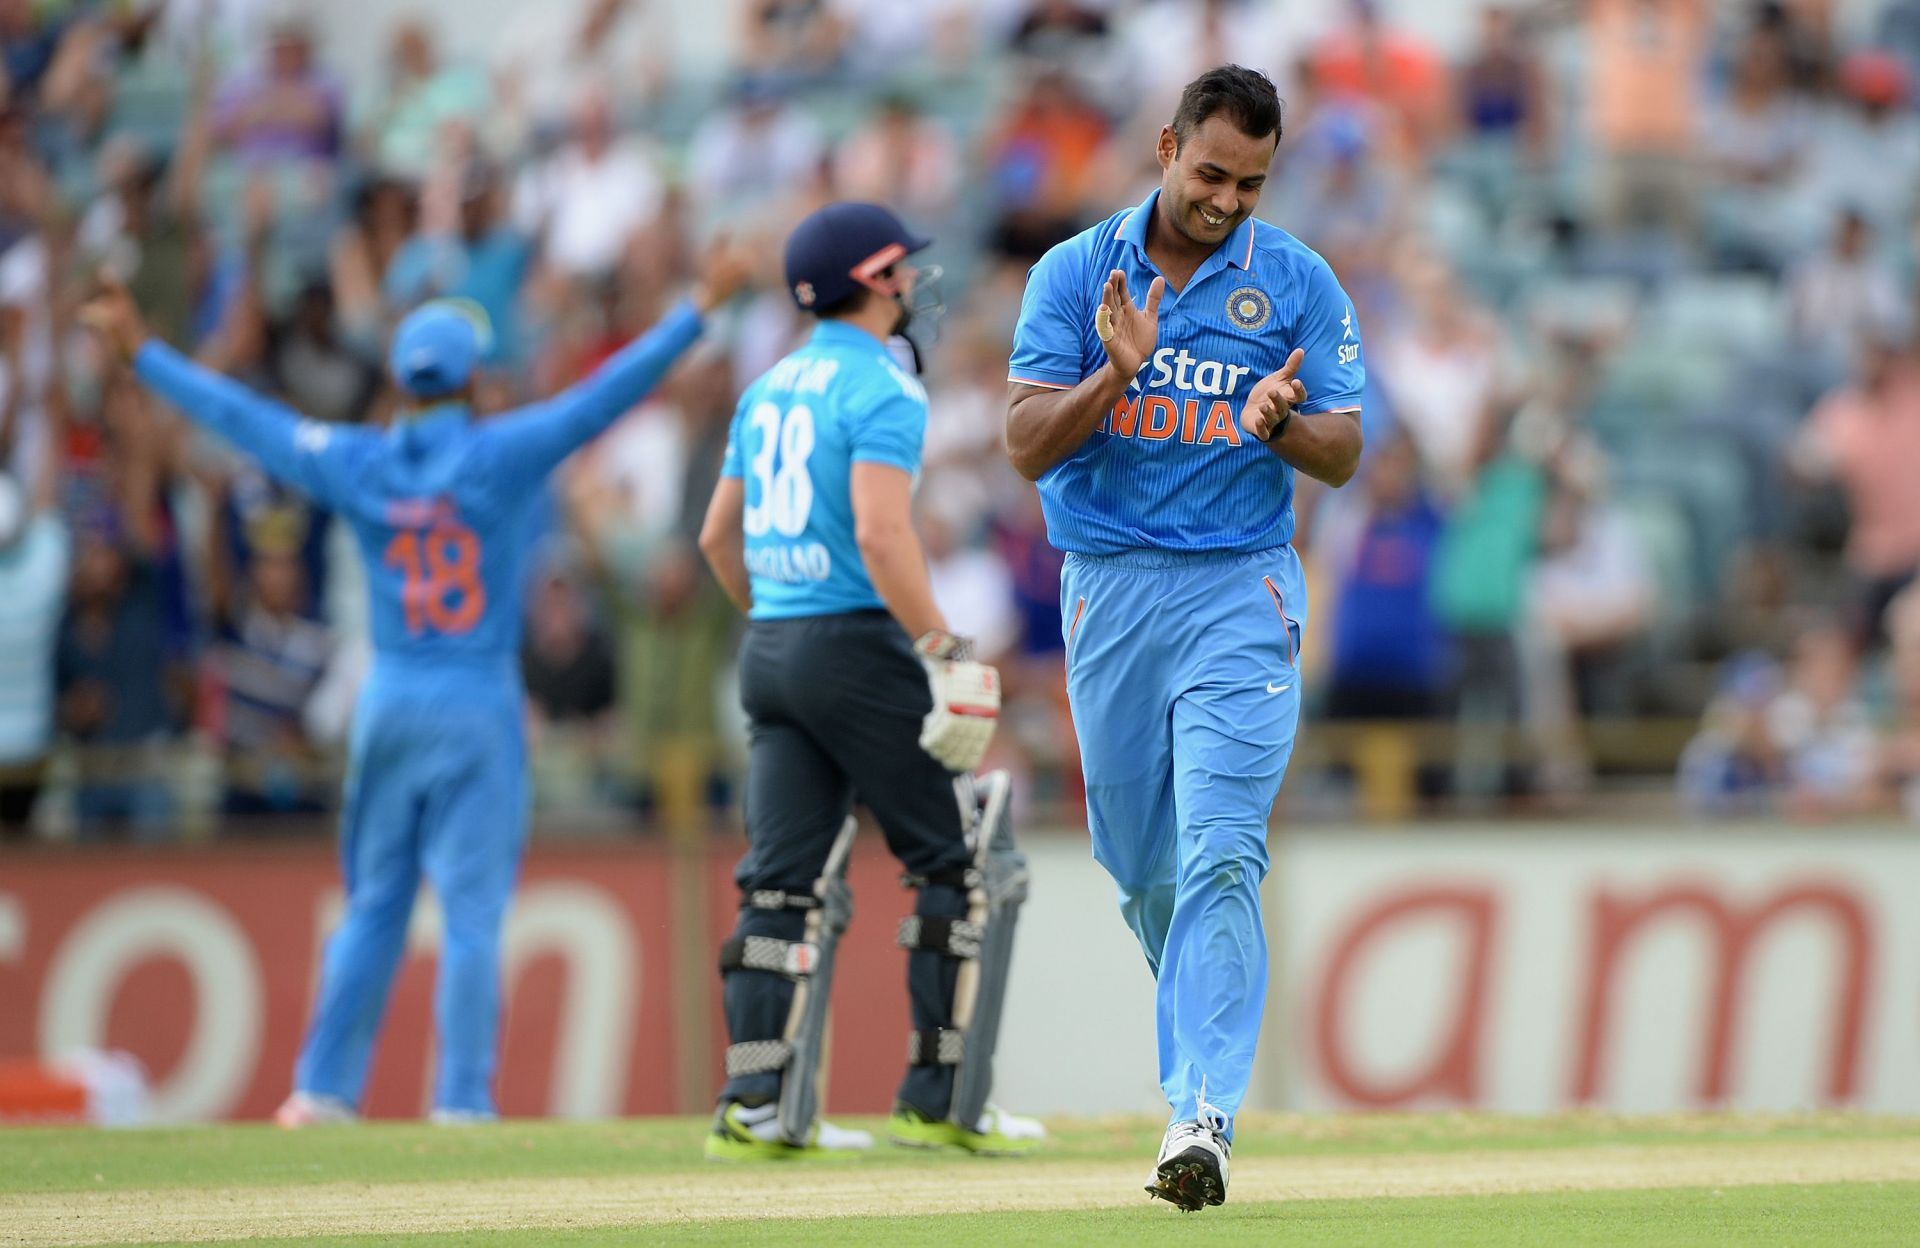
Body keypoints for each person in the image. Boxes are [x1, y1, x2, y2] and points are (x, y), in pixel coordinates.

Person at [81, 243, 750, 1125]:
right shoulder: (499, 452)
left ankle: (321, 1090)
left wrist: (144, 352)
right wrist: (698, 307)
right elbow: (603, 398)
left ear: (400, 385)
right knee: (471, 918)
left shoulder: (357, 459)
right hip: (476, 703)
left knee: (373, 906)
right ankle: (461, 1102)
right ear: (473, 384)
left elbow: (245, 419)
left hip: (389, 701)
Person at [1004, 65, 1364, 1211]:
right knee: (1139, 864)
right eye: (1210, 173)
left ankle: (1199, 1117)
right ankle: (1200, 1032)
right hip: (1108, 589)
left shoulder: (1298, 282)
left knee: (1221, 849)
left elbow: (1346, 447)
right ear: (1166, 145)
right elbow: (1023, 444)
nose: (1225, 200)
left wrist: (1282, 426)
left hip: (1238, 592)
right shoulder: (1076, 273)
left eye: (1250, 183)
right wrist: (1114, 375)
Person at [697, 202, 1044, 1160]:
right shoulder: (883, 387)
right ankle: (940, 1099)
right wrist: (941, 645)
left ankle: (754, 1100)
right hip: (853, 644)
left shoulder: (766, 386)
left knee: (778, 883)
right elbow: (882, 534)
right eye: (903, 269)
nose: (914, 285)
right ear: (877, 275)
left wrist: (778, 620)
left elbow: (716, 539)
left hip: (772, 646)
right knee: (955, 864)